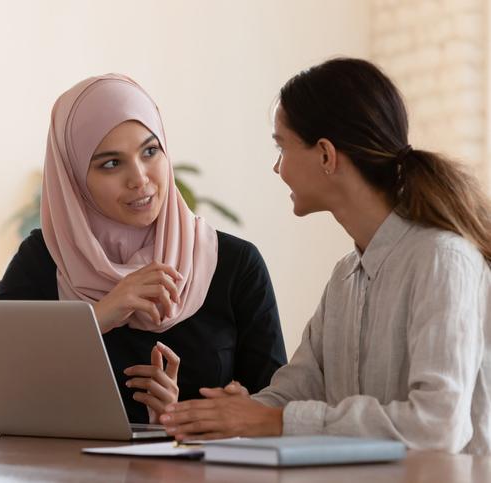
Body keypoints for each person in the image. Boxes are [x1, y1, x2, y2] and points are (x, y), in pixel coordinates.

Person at [160, 58, 491, 454]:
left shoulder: (443, 259)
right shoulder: (346, 276)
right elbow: (293, 392)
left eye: (281, 146)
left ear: (326, 156)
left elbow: (437, 426)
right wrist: (224, 414)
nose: (276, 166)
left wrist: (274, 420)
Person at [0, 74, 287, 424]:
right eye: (111, 163)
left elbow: (274, 407)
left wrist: (180, 416)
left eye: (150, 151)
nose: (140, 178)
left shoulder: (233, 264)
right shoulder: (48, 258)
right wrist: (97, 317)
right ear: (74, 179)